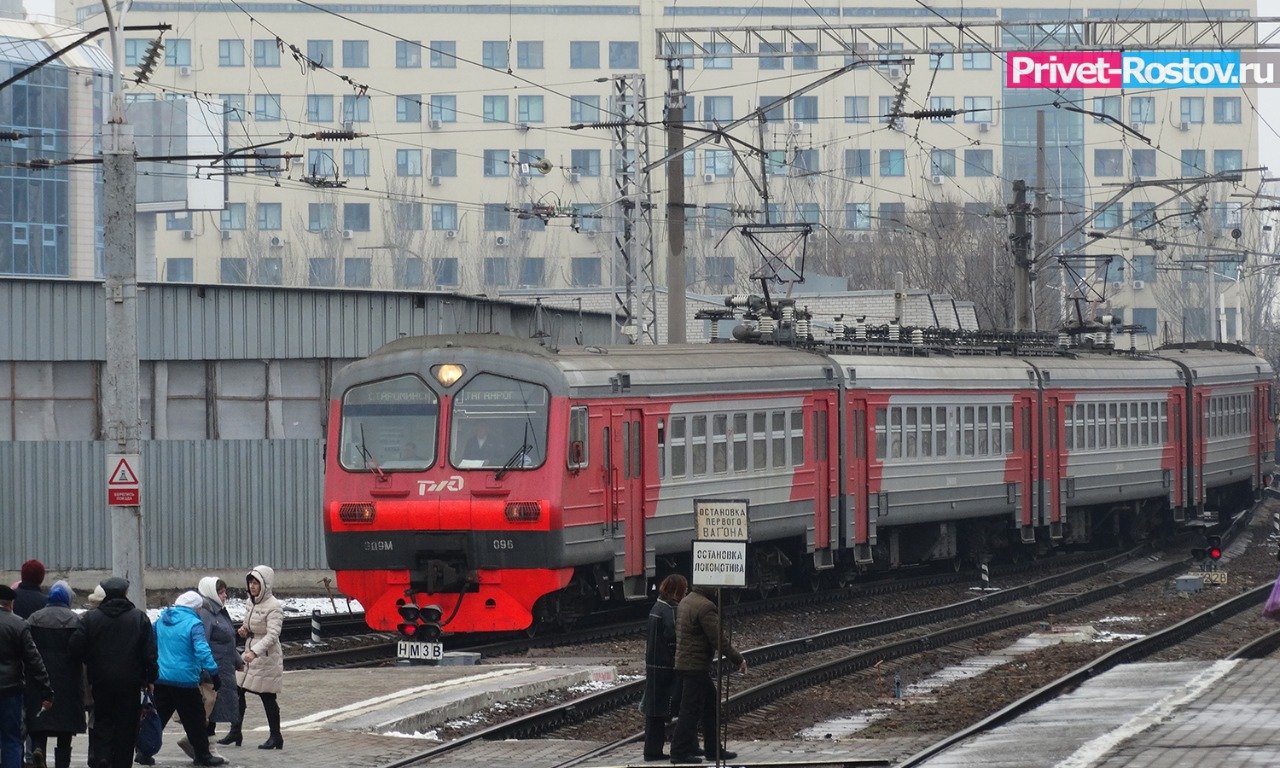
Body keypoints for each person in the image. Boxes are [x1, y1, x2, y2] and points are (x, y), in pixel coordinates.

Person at [69, 577, 156, 768]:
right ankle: (122, 762)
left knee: (103, 720)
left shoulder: (91, 618)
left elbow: (75, 646)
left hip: (100, 681)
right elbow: (150, 653)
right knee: (127, 725)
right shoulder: (139, 618)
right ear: (125, 593)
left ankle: (102, 757)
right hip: (131, 683)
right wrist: (150, 678)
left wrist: (90, 660)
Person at [669, 586, 748, 765]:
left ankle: (713, 749)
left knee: (710, 704)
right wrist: (738, 659)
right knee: (690, 709)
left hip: (687, 663)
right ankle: (679, 752)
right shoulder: (705, 607)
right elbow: (718, 639)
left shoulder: (687, 600)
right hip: (695, 665)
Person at [152, 592, 224, 767]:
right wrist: (214, 672)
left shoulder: (161, 620)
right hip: (185, 681)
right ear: (195, 607)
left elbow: (152, 642)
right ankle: (203, 756)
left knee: (158, 718)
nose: (200, 611)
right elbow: (202, 649)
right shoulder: (194, 623)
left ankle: (144, 751)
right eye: (199, 608)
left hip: (162, 678)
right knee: (196, 720)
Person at [220, 565, 284, 751]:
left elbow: (273, 635)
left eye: (256, 582)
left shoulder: (274, 606)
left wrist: (255, 651)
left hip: (265, 656)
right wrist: (244, 630)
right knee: (238, 691)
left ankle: (276, 736)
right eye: (251, 582)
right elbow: (250, 624)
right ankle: (235, 731)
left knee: (267, 696)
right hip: (250, 654)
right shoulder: (252, 602)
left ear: (265, 584)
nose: (253, 586)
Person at [23, 581, 83, 768]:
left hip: (39, 680)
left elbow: (26, 647)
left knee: (40, 720)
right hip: (68, 680)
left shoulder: (34, 619)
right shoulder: (75, 621)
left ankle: (38, 748)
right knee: (65, 726)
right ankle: (62, 763)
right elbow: (81, 649)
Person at [185, 578, 240, 757]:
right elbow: (203, 643)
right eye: (221, 592)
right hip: (212, 671)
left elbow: (229, 640)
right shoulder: (207, 613)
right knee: (209, 711)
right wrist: (207, 670)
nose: (225, 596)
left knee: (212, 711)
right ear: (211, 593)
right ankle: (204, 748)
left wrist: (238, 661)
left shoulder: (220, 612)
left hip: (223, 669)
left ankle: (203, 747)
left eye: (225, 592)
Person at [0, 584, 51, 768]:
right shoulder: (19, 624)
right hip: (11, 690)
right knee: (12, 738)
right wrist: (45, 690)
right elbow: (34, 660)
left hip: (11, 690)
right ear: (11, 604)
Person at [640, 575, 688, 762]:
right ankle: (656, 751)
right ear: (677, 591)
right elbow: (673, 637)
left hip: (653, 665)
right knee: (674, 708)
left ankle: (652, 750)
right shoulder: (669, 610)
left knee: (654, 712)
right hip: (665, 667)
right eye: (684, 590)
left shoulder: (656, 607)